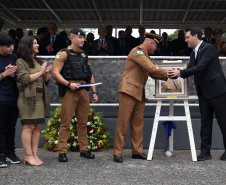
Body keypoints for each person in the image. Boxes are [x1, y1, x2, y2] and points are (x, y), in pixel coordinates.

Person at [168, 27, 226, 161]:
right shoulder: (193, 53)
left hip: (218, 92)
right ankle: (205, 153)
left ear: (195, 36)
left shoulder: (209, 48)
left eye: (187, 37)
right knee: (205, 123)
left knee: (224, 122)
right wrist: (175, 72)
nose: (185, 40)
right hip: (204, 93)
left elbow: (200, 67)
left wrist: (180, 73)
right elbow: (190, 68)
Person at [113, 32, 169, 163]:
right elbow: (151, 68)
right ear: (151, 43)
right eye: (155, 46)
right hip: (128, 90)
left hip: (138, 92)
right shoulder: (137, 52)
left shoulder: (145, 56)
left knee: (138, 123)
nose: (156, 49)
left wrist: (174, 75)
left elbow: (153, 74)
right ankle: (117, 152)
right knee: (123, 122)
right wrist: (170, 72)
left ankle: (137, 151)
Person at [52, 28, 98, 162]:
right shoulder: (63, 53)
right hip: (70, 90)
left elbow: (90, 74)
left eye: (83, 37)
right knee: (66, 122)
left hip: (83, 90)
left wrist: (94, 92)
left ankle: (84, 150)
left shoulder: (84, 55)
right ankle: (62, 152)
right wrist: (68, 84)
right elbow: (55, 73)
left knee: (83, 123)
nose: (82, 40)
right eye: (79, 37)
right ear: (72, 38)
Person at [16, 36, 52, 166]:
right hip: (27, 98)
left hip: (40, 98)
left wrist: (46, 73)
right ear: (27, 46)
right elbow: (24, 79)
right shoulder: (20, 61)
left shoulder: (38, 60)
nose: (38, 45)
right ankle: (28, 155)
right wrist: (41, 71)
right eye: (35, 43)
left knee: (37, 127)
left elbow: (46, 82)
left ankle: (34, 155)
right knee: (28, 127)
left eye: (37, 43)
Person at [0, 32, 20, 168]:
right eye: (8, 46)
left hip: (13, 97)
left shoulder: (14, 57)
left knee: (11, 127)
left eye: (12, 45)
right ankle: (1, 155)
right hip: (1, 99)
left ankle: (10, 153)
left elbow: (18, 78)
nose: (11, 48)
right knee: (1, 128)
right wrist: (4, 74)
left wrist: (13, 75)